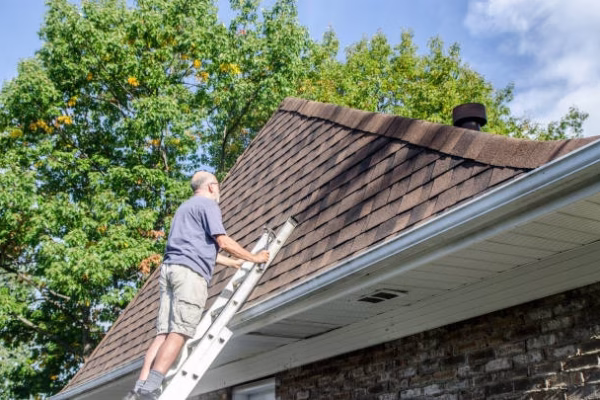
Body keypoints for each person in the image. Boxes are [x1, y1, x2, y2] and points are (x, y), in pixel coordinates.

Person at [123, 171, 269, 400]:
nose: (219, 192)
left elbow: (198, 248)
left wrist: (232, 263)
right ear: (212, 186)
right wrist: (255, 257)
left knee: (163, 333)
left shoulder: (184, 209)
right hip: (189, 275)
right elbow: (223, 241)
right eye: (218, 187)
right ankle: (151, 389)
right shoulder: (208, 205)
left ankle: (140, 386)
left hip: (171, 270)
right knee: (181, 331)